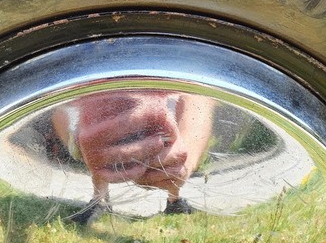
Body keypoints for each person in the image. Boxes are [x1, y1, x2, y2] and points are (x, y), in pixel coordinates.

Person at [50, 90, 215, 224]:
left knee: (167, 139)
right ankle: (99, 199)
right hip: (109, 90)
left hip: (154, 90)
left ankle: (174, 199)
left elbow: (193, 98)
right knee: (101, 137)